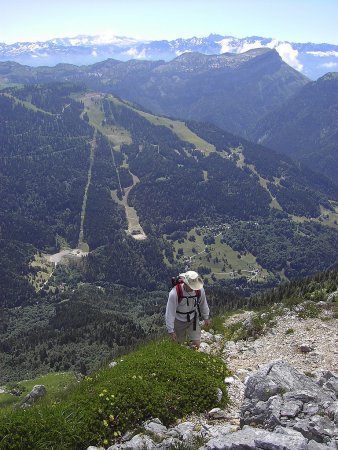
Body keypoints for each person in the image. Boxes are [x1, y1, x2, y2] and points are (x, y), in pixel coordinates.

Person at [165, 270, 210, 348]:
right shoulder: (175, 293)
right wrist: (171, 330)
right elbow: (170, 312)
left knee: (196, 344)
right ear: (185, 283)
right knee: (177, 345)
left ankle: (192, 357)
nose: (194, 289)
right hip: (178, 320)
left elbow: (203, 303)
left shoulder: (200, 290)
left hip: (193, 318)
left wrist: (206, 317)